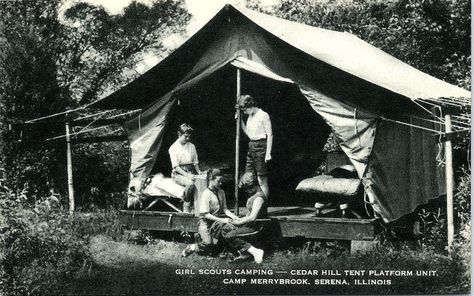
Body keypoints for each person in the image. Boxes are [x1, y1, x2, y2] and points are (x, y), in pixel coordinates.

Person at [182, 169, 239, 257]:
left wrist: (234, 216)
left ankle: (218, 248)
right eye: (218, 181)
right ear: (211, 180)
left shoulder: (221, 192)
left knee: (228, 229)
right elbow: (205, 214)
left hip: (216, 221)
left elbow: (225, 209)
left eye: (221, 181)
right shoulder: (206, 194)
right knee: (208, 243)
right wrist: (222, 220)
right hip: (205, 222)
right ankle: (193, 247)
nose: (220, 184)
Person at [223, 172, 266, 263]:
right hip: (249, 224)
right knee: (225, 229)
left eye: (247, 189)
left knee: (229, 236)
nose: (246, 191)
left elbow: (252, 217)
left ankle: (256, 252)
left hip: (255, 226)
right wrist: (238, 219)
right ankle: (244, 253)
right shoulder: (253, 196)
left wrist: (239, 222)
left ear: (254, 186)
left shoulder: (259, 198)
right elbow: (248, 215)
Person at [237, 94, 273, 198]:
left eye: (245, 110)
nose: (244, 112)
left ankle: (263, 206)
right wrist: (240, 120)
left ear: (250, 106)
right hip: (251, 145)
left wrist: (268, 153)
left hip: (261, 146)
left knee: (261, 179)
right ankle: (253, 204)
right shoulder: (250, 117)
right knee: (249, 178)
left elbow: (270, 134)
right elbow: (248, 133)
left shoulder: (263, 115)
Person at [168, 123, 202, 213]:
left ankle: (199, 208)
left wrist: (199, 173)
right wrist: (187, 175)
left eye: (189, 137)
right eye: (185, 136)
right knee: (190, 183)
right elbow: (176, 167)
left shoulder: (192, 146)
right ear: (179, 135)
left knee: (203, 181)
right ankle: (186, 204)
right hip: (178, 174)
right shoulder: (173, 148)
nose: (188, 139)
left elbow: (195, 162)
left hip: (191, 171)